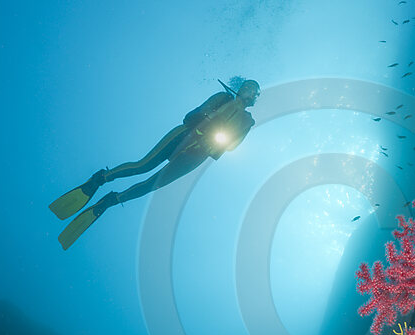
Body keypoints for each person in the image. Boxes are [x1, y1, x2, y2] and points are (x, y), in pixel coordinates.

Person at [49, 79, 260, 249]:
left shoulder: (247, 120)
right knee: (144, 165)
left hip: (199, 153)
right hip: (186, 134)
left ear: (255, 98)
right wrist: (209, 116)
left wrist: (221, 137)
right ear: (240, 87)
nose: (249, 90)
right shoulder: (223, 97)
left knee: (153, 184)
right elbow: (196, 112)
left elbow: (232, 146)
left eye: (254, 90)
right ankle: (101, 178)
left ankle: (111, 200)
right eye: (248, 86)